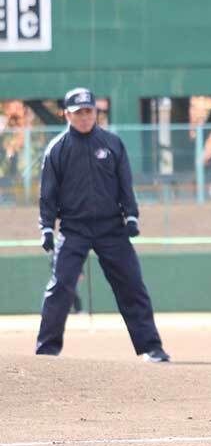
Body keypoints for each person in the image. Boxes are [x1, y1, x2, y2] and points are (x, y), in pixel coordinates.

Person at [36, 87, 170, 363]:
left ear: (96, 112)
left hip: (112, 229)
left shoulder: (112, 144)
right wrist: (46, 227)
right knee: (61, 286)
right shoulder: (57, 150)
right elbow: (47, 194)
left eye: (89, 111)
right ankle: (47, 349)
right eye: (78, 112)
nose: (84, 117)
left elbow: (125, 185)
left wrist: (131, 216)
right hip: (74, 229)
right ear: (67, 115)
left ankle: (151, 347)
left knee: (132, 286)